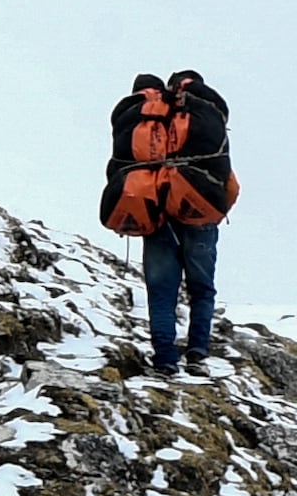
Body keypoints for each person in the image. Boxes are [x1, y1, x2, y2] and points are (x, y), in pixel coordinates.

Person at [100, 68, 237, 377]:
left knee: (162, 292)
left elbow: (117, 171)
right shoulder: (205, 112)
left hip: (155, 212)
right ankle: (197, 353)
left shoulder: (134, 116)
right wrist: (214, 207)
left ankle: (165, 360)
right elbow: (227, 179)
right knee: (202, 289)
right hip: (198, 209)